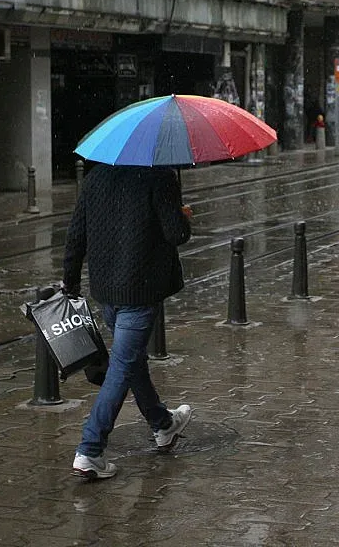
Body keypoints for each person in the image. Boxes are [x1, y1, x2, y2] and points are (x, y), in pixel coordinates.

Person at [63, 163, 193, 480]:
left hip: (106, 289)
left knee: (131, 361)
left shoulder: (96, 177)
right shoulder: (159, 176)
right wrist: (183, 215)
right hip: (140, 288)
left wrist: (70, 283)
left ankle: (163, 424)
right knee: (122, 365)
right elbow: (175, 233)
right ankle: (90, 450)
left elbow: (76, 234)